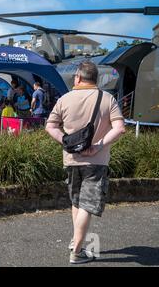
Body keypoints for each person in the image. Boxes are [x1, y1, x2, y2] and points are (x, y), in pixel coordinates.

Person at [45, 61, 126, 264]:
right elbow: (120, 128)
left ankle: (75, 240)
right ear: (96, 79)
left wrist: (65, 140)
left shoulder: (64, 99)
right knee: (87, 206)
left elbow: (50, 126)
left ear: (78, 78)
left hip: (71, 160)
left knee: (77, 202)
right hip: (97, 162)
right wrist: (98, 145)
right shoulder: (108, 99)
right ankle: (77, 252)